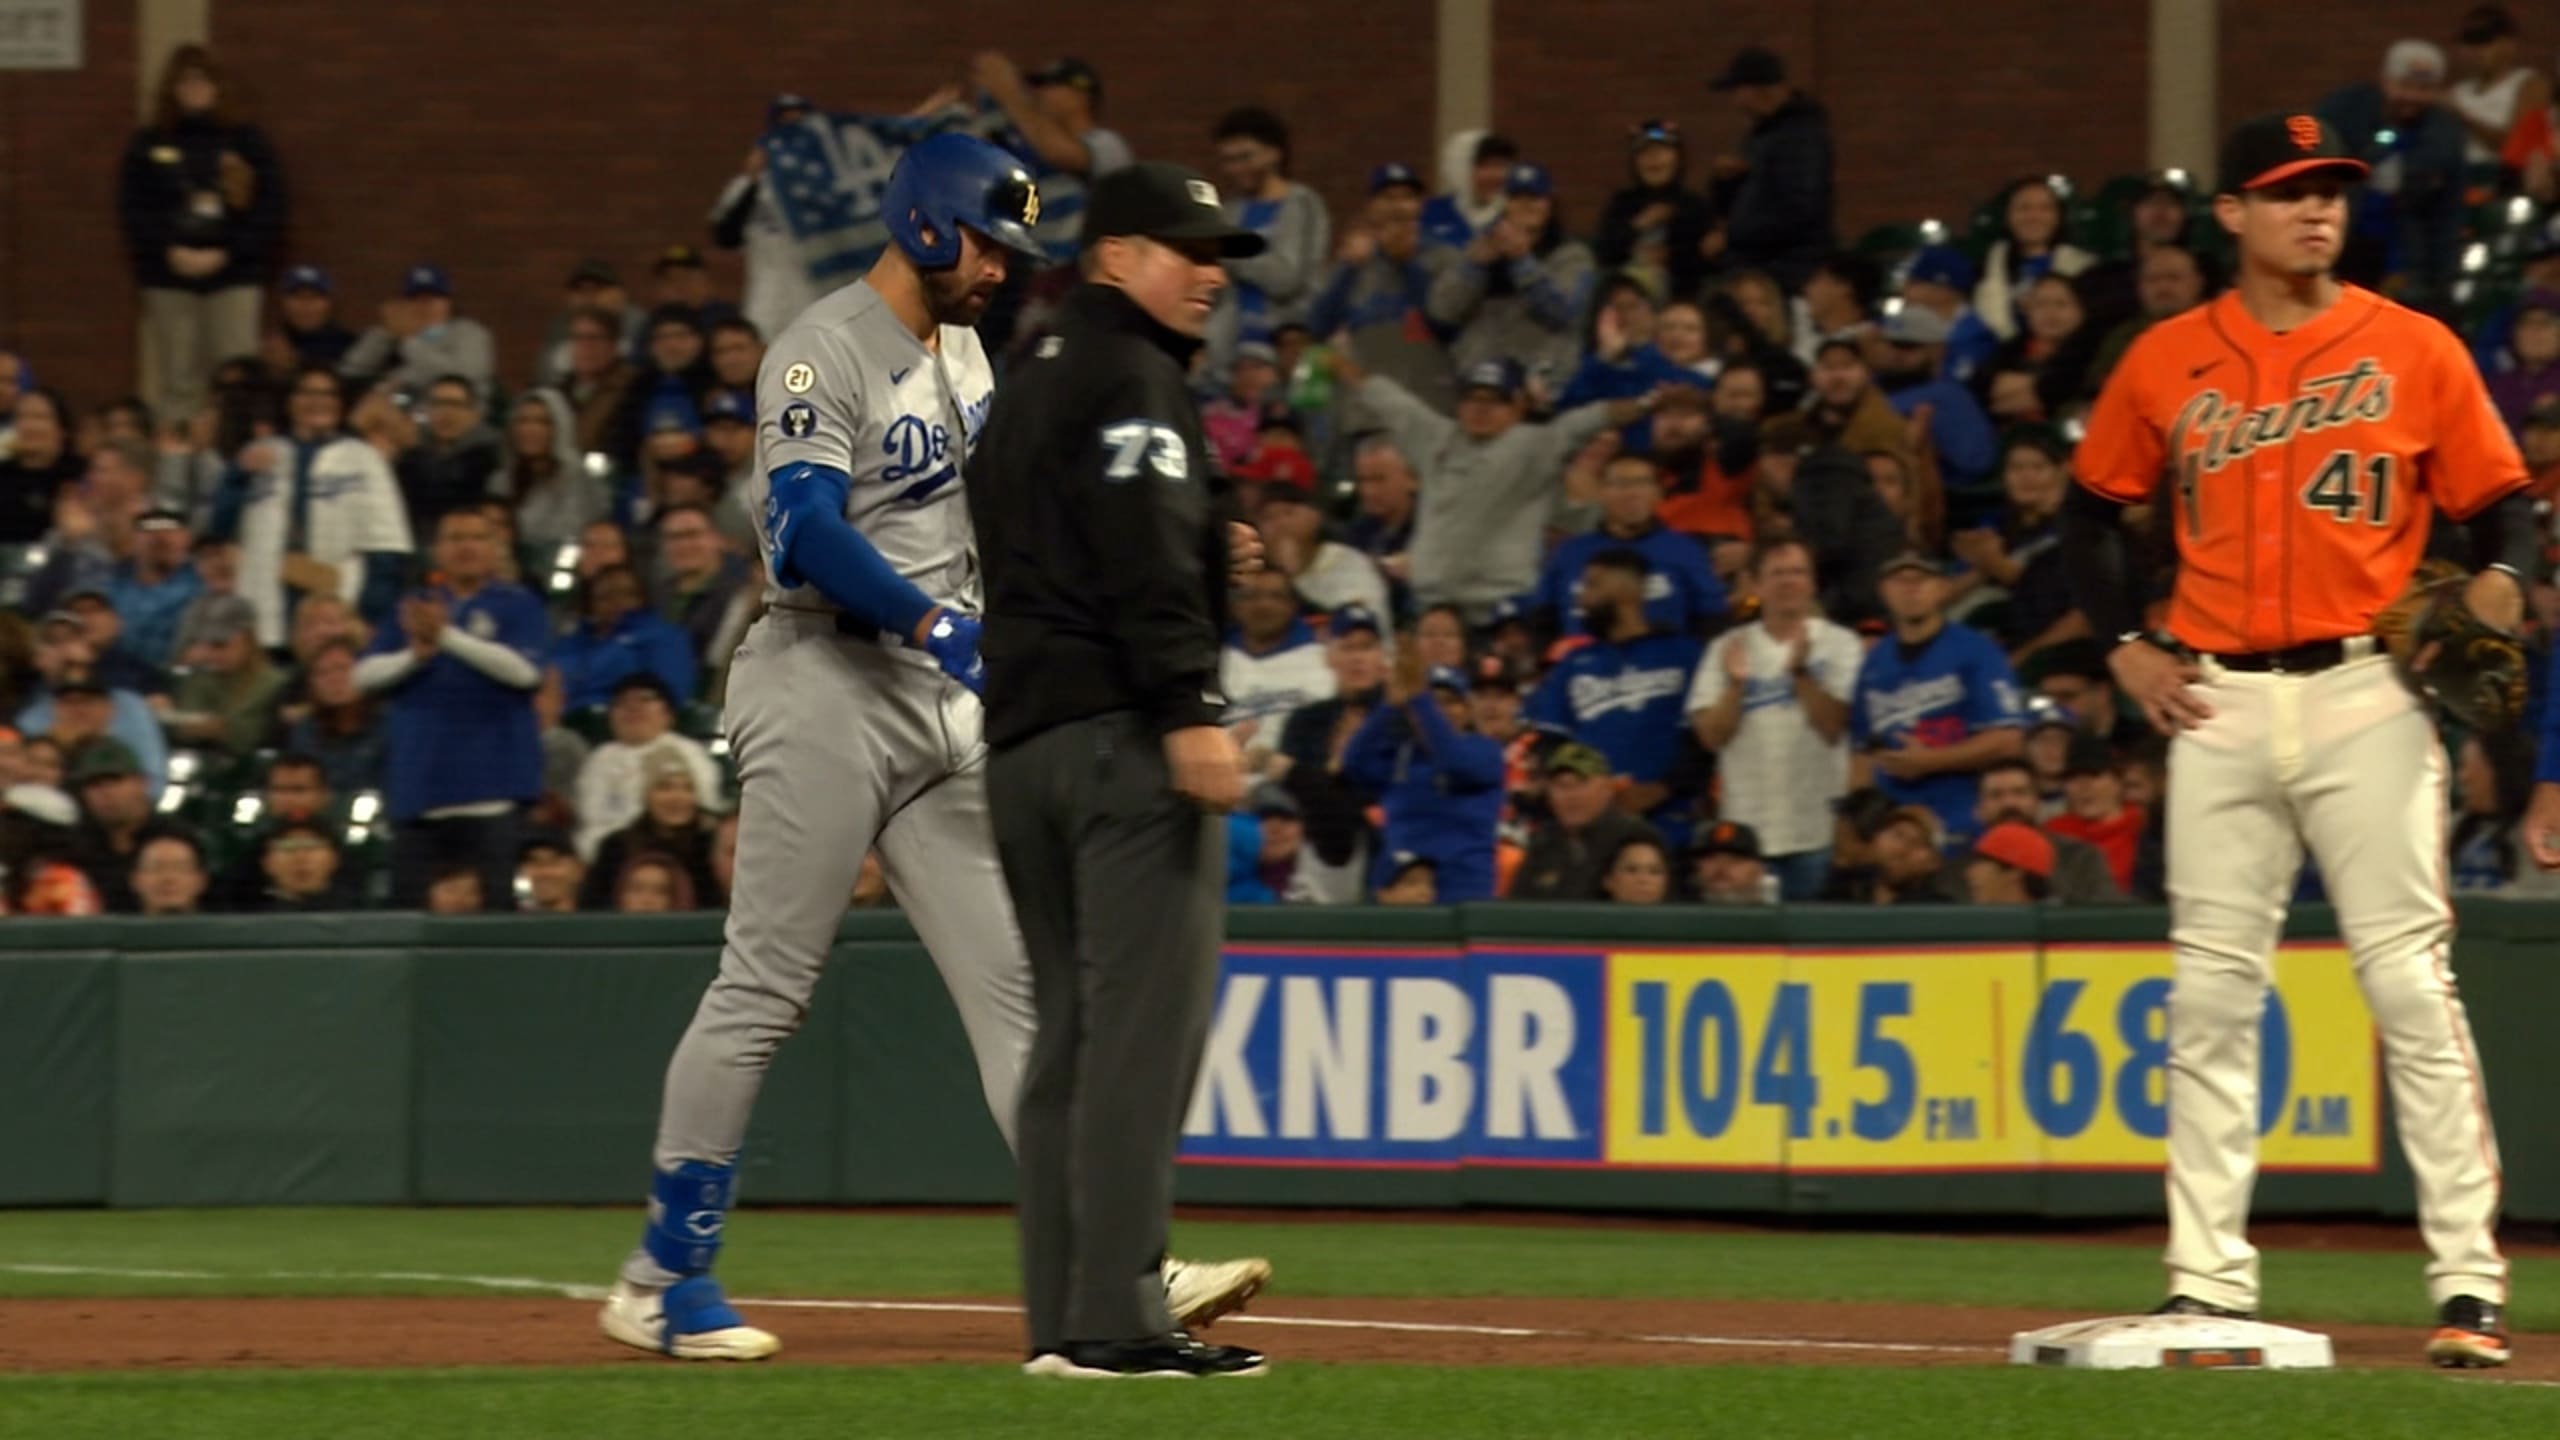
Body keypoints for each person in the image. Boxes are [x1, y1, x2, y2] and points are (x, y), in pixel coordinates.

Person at [603, 138, 1268, 1371]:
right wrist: (936, 624)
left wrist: (1182, 532)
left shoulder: (968, 356)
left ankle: (1112, 1268)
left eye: (1012, 250)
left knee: (1023, 995)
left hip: (942, 695)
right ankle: (665, 1275)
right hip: (823, 677)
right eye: (986, 243)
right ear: (922, 225)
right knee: (767, 988)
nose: (1001, 269)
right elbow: (802, 528)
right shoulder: (822, 346)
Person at [2064, 112, 2525, 1365]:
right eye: (2286, 192)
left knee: (2406, 985)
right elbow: (2088, 512)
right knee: (2210, 995)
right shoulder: (2166, 358)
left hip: (2365, 692)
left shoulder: (2414, 347)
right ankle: (2207, 1281)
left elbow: (2505, 507)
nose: (2316, 209)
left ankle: (2468, 1283)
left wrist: (2500, 579)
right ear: (2231, 214)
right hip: (2213, 700)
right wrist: (2124, 643)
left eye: (2329, 190)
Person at [958, 157, 1278, 1380]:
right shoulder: (1134, 371)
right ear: (1111, 257)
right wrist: (1189, 702)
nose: (1208, 274)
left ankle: (1064, 1322)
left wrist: (1202, 536)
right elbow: (1137, 544)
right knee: (1139, 1043)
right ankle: (1122, 1324)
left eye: (1217, 255)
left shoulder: (1031, 370)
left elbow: (1059, 538)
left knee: (1069, 1046)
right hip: (1120, 743)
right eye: (1184, 250)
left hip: (1022, 749)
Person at [354, 507, 547, 911]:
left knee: (494, 920)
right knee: (410, 920)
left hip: (492, 796)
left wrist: (445, 637)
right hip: (418, 796)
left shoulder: (518, 604)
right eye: (455, 538)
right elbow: (364, 676)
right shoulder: (412, 607)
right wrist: (415, 655)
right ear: (437, 550)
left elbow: (525, 672)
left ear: (495, 548)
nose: (466, 547)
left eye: (477, 538)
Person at [1687, 537, 1863, 899]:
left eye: (1798, 572)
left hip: (1818, 830)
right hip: (1745, 836)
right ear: (1756, 584)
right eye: (1777, 573)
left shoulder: (1842, 644)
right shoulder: (1725, 647)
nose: (1788, 581)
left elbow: (1834, 726)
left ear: (1812, 583)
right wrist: (1737, 686)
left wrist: (1800, 674)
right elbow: (1710, 737)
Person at [119, 45, 284, 424]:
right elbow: (133, 209)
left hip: (234, 276)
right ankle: (179, 453)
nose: (194, 88)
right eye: (185, 81)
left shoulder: (247, 142)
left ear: (218, 87)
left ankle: (233, 450)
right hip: (168, 277)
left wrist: (229, 253)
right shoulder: (149, 144)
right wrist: (168, 250)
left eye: (202, 80)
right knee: (180, 379)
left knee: (235, 376)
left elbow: (270, 209)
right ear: (172, 88)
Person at [227, 366, 415, 648]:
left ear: (340, 404)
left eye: (327, 394)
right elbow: (220, 527)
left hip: (339, 607)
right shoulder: (259, 453)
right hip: (266, 608)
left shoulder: (363, 458)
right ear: (290, 401)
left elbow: (388, 547)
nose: (318, 401)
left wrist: (369, 614)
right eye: (307, 393)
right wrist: (237, 476)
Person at [1339, 660, 1507, 902]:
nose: (1440, 711)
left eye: (1451, 702)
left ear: (1468, 710)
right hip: (1402, 893)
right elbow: (1353, 762)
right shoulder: (1401, 755)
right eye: (1434, 701)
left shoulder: (1484, 751)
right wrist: (1389, 706)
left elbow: (1451, 758)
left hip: (1464, 893)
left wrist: (1419, 699)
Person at [1534, 453, 1727, 640]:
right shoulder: (1570, 552)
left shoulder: (1686, 550)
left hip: (1663, 660)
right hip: (1582, 660)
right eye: (1620, 484)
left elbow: (1712, 620)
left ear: (1658, 493)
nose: (1632, 493)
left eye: (1642, 483)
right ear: (1601, 492)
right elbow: (1541, 620)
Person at [1702, 47, 1835, 289]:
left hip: (1786, 270)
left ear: (1758, 90)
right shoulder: (1764, 135)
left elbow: (1798, 210)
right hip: (1758, 265)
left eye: (1737, 91)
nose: (1735, 102)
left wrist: (1732, 235)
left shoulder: (1801, 137)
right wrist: (1727, 182)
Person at [1510, 742, 1662, 900]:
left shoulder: (1635, 838)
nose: (1572, 796)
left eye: (1582, 784)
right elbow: (1518, 906)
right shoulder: (1543, 841)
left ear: (1607, 790)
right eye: (1562, 785)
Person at [1688, 820, 1772, 903]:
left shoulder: (1776, 911)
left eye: (1735, 860)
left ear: (1758, 870)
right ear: (1697, 867)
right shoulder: (1683, 911)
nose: (1721, 867)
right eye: (1711, 858)